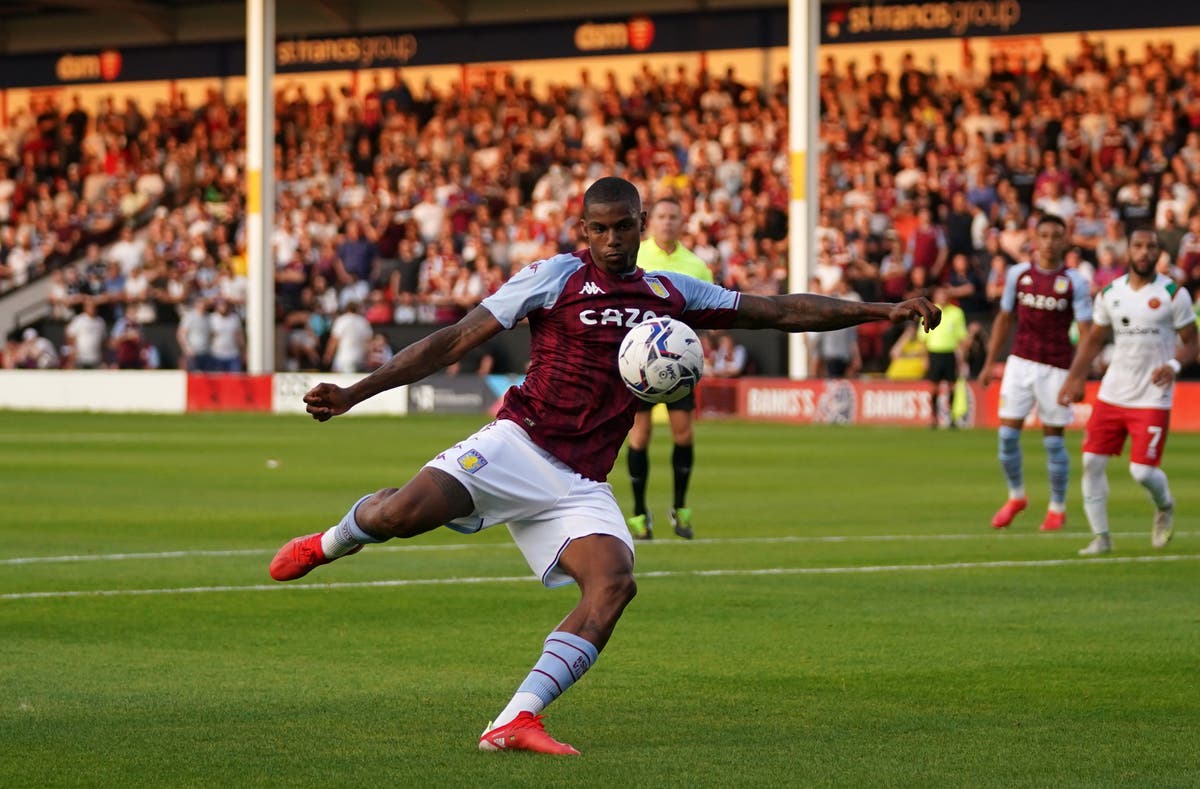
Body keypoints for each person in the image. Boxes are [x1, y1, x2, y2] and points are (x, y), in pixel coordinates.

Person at [269, 177, 939, 756]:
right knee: (399, 516)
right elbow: (456, 338)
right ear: (583, 230)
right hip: (515, 445)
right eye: (601, 229)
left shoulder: (670, 292)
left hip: (580, 482)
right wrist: (355, 393)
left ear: (642, 228)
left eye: (625, 227)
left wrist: (880, 309)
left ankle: (514, 717)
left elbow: (775, 309)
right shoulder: (554, 276)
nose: (613, 239)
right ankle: (330, 541)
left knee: (615, 583)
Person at [1057, 229, 1198, 555]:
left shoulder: (1174, 295)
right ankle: (1101, 537)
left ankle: (1164, 505)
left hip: (1153, 394)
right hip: (1113, 392)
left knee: (1142, 470)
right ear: (1128, 252)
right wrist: (1074, 379)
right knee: (1091, 461)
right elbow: (1094, 339)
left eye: (1151, 247)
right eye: (1138, 246)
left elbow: (1192, 341)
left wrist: (1174, 367)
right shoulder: (1110, 293)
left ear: (1159, 253)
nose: (1144, 252)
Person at [978, 214, 1092, 531]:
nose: (1050, 242)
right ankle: (1016, 497)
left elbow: (1086, 332)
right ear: (1035, 238)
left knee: (1054, 442)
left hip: (1057, 366)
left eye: (1057, 236)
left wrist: (1078, 376)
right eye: (1045, 235)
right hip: (1020, 362)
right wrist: (989, 362)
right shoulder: (1018, 275)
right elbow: (1003, 319)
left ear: (1065, 240)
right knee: (1006, 437)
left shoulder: (1075, 281)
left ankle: (1057, 507)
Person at [625, 196, 715, 541]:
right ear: (651, 221)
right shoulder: (637, 256)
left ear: (682, 222)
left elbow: (708, 309)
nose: (667, 222)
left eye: (673, 217)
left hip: (678, 365)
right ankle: (638, 513)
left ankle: (680, 508)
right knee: (640, 435)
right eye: (661, 216)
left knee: (684, 434)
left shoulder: (695, 265)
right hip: (640, 363)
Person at [894, 284, 969, 428]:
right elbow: (923, 338)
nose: (942, 297)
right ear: (935, 297)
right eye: (940, 294)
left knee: (952, 386)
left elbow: (961, 336)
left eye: (944, 294)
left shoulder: (956, 313)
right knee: (934, 387)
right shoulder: (930, 311)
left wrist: (962, 356)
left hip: (949, 353)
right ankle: (933, 418)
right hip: (934, 353)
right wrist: (925, 358)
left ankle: (952, 418)